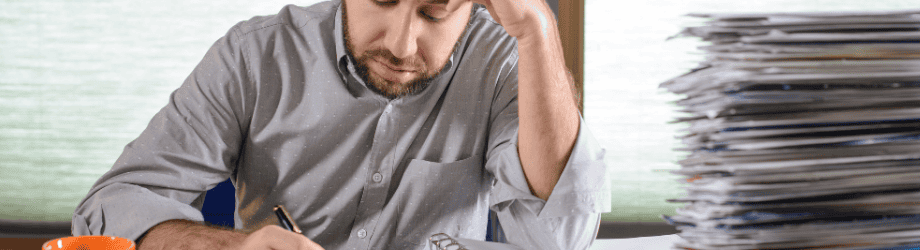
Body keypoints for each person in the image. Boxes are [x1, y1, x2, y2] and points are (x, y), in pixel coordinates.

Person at [72, 0, 610, 249]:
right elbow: (111, 206)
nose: (401, 45)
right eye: (382, 0)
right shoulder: (255, 56)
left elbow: (557, 238)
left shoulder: (502, 64)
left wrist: (538, 32)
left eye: (434, 12)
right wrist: (235, 249)